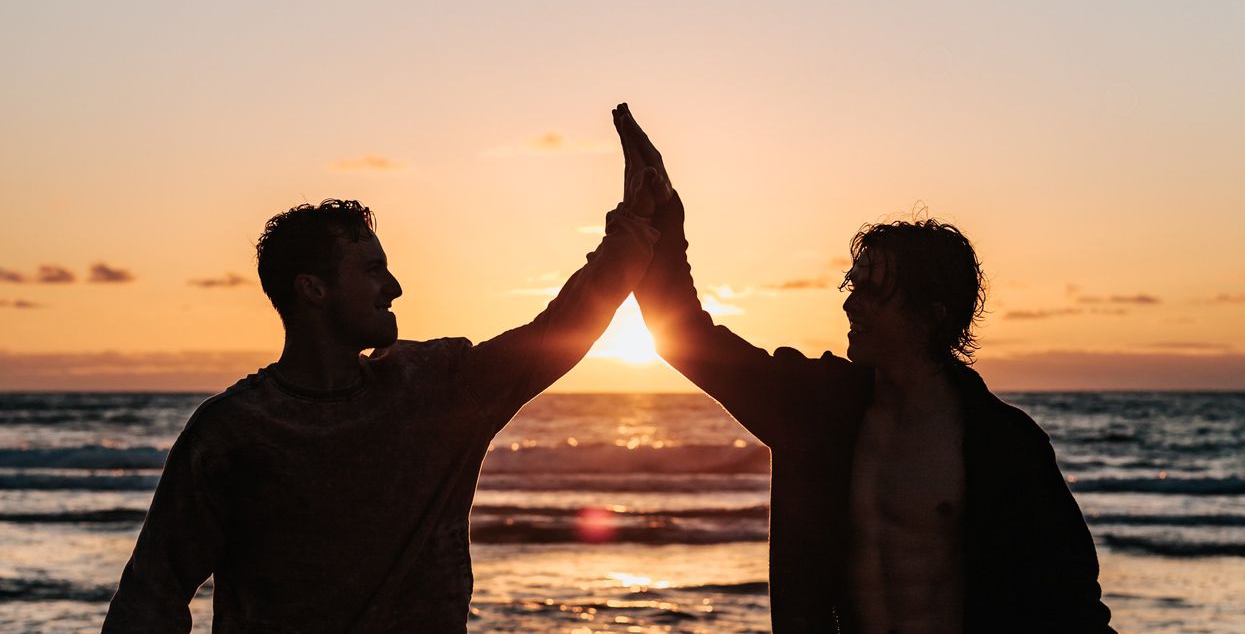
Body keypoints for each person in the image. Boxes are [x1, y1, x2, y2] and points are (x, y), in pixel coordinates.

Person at [101, 107, 667, 632]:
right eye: (372, 270)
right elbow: (151, 598)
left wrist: (636, 223)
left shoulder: (438, 387)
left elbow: (559, 330)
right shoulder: (233, 433)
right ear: (313, 289)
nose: (394, 287)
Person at [614, 105, 1114, 633]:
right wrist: (662, 218)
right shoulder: (811, 408)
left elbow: (1074, 608)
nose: (852, 306)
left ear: (931, 314)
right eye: (853, 287)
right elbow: (686, 338)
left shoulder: (1006, 444)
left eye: (874, 292)